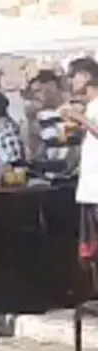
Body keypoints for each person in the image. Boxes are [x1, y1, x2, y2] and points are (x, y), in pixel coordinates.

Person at [60, 58, 98, 267]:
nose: (71, 82)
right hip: (90, 191)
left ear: (86, 76)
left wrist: (80, 118)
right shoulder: (90, 107)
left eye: (73, 76)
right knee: (91, 254)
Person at [30, 70, 82, 178]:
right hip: (51, 177)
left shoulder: (74, 110)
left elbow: (71, 149)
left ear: (52, 86)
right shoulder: (42, 116)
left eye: (38, 91)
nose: (35, 96)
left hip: (72, 179)